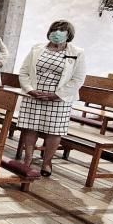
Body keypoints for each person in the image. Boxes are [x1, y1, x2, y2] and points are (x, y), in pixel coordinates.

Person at [17, 20, 86, 177]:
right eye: (55, 29)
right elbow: (24, 71)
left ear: (69, 35)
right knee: (30, 127)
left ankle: (46, 162)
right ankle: (27, 159)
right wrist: (30, 90)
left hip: (59, 98)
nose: (57, 33)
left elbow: (78, 79)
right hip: (35, 94)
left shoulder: (77, 52)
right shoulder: (37, 48)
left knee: (54, 131)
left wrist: (57, 95)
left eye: (62, 30)